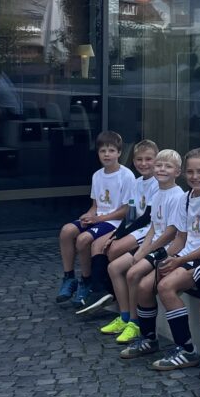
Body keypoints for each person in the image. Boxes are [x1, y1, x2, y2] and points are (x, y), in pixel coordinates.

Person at [133, 148, 200, 369]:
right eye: (190, 172)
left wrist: (179, 261)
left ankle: (187, 350)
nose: (195, 177)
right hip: (188, 253)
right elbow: (180, 239)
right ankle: (149, 339)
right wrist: (164, 257)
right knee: (144, 285)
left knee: (166, 287)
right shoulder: (186, 199)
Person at [105, 148, 182, 344]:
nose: (162, 169)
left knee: (132, 273)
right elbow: (153, 228)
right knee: (114, 267)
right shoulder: (157, 195)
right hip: (152, 245)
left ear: (177, 172)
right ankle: (125, 316)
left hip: (167, 248)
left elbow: (170, 233)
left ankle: (135, 321)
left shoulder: (177, 195)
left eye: (167, 166)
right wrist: (140, 251)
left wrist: (145, 251)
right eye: (159, 165)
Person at [82, 139, 158, 319]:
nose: (143, 164)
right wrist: (117, 234)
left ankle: (109, 291)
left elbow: (147, 217)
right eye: (139, 160)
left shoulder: (157, 183)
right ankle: (103, 291)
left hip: (148, 229)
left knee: (114, 249)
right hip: (136, 227)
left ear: (156, 159)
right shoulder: (137, 182)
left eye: (148, 159)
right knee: (105, 245)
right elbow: (130, 213)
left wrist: (121, 236)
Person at [60, 131, 136, 308]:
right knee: (66, 231)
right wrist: (88, 215)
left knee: (83, 239)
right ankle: (68, 277)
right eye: (103, 151)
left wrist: (99, 218)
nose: (107, 154)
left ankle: (86, 282)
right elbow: (95, 205)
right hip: (99, 219)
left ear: (119, 152)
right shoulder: (97, 175)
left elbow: (126, 210)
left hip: (113, 221)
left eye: (111, 150)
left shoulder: (127, 176)